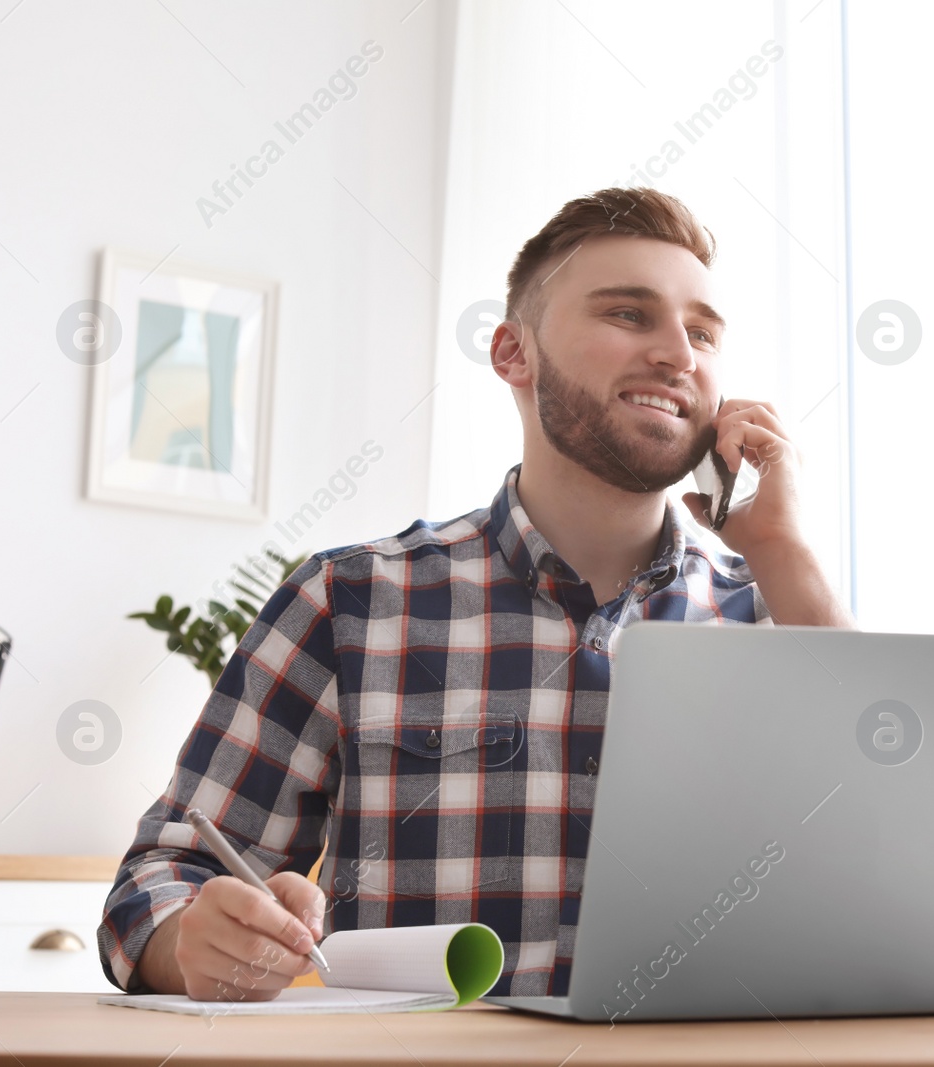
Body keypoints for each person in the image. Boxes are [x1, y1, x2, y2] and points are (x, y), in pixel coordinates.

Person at [97, 187, 855, 1001]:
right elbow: (163, 876)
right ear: (512, 354)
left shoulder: (774, 617)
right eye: (630, 315)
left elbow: (891, 877)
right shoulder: (346, 600)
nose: (680, 353)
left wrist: (786, 551)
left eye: (703, 331)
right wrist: (194, 939)